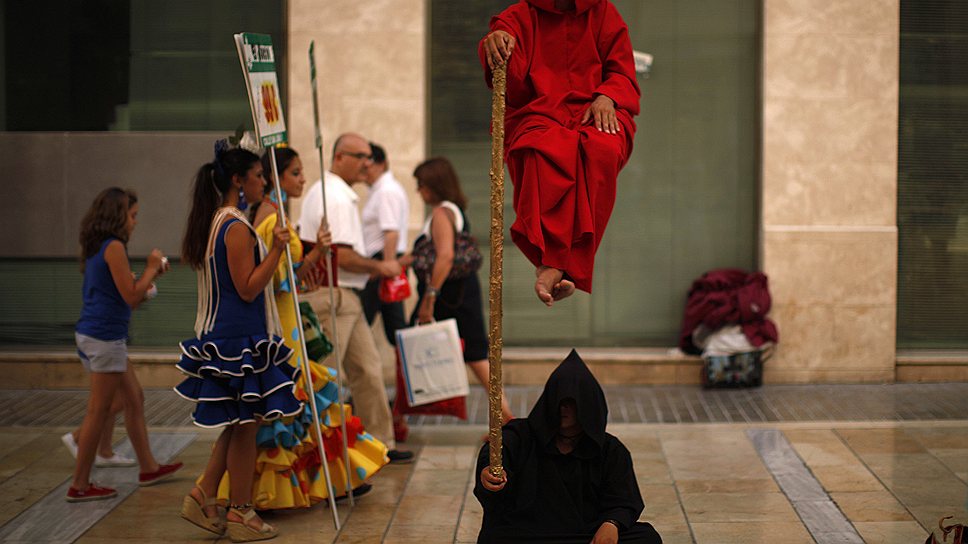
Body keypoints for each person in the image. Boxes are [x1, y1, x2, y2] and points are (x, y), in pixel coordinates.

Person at [217, 145, 387, 509]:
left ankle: (325, 483)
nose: (303, 179)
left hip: (289, 316)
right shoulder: (267, 217)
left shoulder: (273, 213)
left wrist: (314, 255)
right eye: (294, 173)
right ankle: (270, 491)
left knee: (309, 399)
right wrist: (300, 256)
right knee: (296, 401)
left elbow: (287, 277)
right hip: (280, 323)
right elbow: (271, 280)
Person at [176, 142, 303, 541]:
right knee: (245, 427)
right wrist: (278, 250)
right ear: (237, 180)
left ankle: (203, 494)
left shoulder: (220, 221)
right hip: (237, 342)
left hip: (231, 337)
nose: (264, 182)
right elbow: (248, 288)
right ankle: (241, 513)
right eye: (259, 176)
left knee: (237, 423)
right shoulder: (234, 227)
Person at [479, 0, 641, 307]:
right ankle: (554, 265)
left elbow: (622, 70)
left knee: (603, 149)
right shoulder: (518, 16)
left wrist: (608, 95)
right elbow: (510, 84)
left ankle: (556, 266)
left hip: (595, 109)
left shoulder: (603, 12)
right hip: (540, 111)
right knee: (538, 150)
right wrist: (496, 44)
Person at [297, 132, 413, 464]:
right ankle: (324, 455)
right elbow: (342, 257)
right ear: (339, 158)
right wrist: (383, 267)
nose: (367, 163)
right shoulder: (333, 195)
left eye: (369, 157)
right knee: (327, 377)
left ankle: (379, 445)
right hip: (332, 294)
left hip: (347, 294)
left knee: (368, 369)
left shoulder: (338, 194)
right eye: (360, 156)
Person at [475, 350, 662, 544]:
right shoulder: (521, 435)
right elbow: (498, 449)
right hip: (529, 530)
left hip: (582, 533)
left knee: (646, 538)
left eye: (570, 402)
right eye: (558, 400)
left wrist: (611, 523)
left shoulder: (609, 449)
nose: (562, 408)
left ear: (586, 406)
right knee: (496, 537)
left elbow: (623, 499)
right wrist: (489, 470)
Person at [68, 187, 182, 502]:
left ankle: (148, 467)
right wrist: (150, 267)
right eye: (132, 216)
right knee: (99, 410)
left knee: (134, 398)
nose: (135, 223)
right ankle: (79, 484)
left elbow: (126, 292)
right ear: (118, 216)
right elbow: (131, 296)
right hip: (104, 338)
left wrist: (151, 276)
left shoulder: (98, 245)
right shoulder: (114, 246)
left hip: (99, 334)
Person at [404, 157, 512, 424]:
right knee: (474, 353)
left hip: (449, 297)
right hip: (460, 293)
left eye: (421, 184)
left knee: (473, 354)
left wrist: (429, 299)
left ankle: (506, 418)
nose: (419, 191)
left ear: (433, 185)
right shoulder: (454, 210)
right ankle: (504, 417)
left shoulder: (441, 213)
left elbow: (444, 257)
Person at [359, 142, 410, 345]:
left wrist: (386, 267)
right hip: (382, 262)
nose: (364, 171)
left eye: (367, 165)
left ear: (380, 164)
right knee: (395, 330)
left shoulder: (386, 191)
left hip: (383, 261)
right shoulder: (380, 190)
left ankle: (415, 371)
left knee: (363, 321)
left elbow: (391, 233)